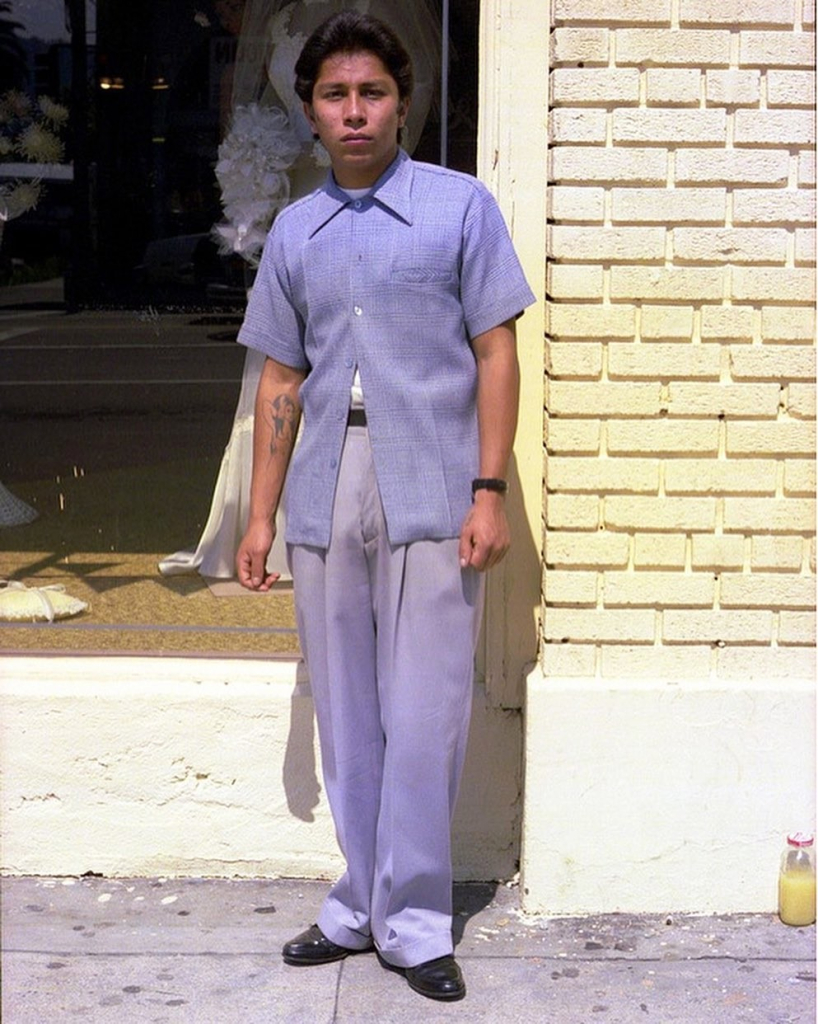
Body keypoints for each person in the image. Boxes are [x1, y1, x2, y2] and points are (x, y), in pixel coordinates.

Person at [236, 9, 535, 1002]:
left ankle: (413, 918)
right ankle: (356, 901)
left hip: (439, 480)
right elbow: (281, 377)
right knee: (346, 708)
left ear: (400, 102)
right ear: (311, 111)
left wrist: (489, 490)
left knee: (426, 705)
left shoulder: (458, 209)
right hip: (327, 482)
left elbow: (497, 351)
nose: (353, 110)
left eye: (370, 92)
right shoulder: (295, 231)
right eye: (334, 94)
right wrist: (258, 514)